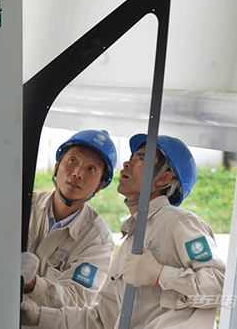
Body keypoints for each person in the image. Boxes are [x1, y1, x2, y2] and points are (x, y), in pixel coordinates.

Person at [21, 134, 226, 329]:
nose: (127, 163)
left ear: (164, 178)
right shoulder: (129, 243)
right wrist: (38, 315)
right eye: (131, 158)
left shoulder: (178, 223)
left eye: (141, 158)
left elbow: (221, 286)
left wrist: (161, 274)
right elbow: (101, 322)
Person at [21, 130, 117, 310]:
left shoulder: (97, 241)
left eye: (91, 169)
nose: (77, 174)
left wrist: (33, 285)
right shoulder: (23, 205)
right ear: (57, 166)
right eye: (73, 160)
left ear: (100, 185)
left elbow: (77, 300)